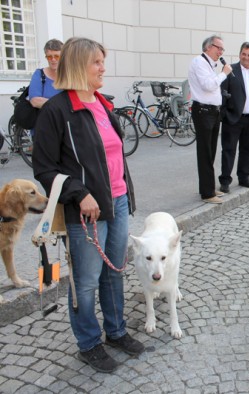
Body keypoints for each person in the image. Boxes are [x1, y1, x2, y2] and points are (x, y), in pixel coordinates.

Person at [32, 37, 144, 373]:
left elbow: (113, 155)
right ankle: (89, 343)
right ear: (80, 65)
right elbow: (45, 168)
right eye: (97, 62)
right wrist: (79, 193)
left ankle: (116, 330)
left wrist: (122, 193)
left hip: (118, 200)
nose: (103, 68)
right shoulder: (56, 111)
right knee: (85, 280)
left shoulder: (102, 103)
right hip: (85, 210)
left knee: (114, 271)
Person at [218, 42, 249, 193]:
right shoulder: (230, 70)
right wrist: (225, 114)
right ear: (240, 54)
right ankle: (225, 181)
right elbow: (222, 93)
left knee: (247, 150)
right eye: (244, 54)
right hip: (233, 118)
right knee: (228, 150)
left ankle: (244, 178)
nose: (246, 57)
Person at [188, 35, 233, 204]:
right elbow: (208, 85)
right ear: (208, 47)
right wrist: (224, 74)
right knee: (205, 153)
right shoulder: (199, 62)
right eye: (218, 48)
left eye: (222, 49)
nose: (220, 52)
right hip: (204, 112)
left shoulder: (209, 64)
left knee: (211, 151)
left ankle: (208, 187)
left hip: (212, 112)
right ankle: (207, 194)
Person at [29, 39, 63, 109]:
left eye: (57, 56)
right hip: (45, 117)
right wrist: (61, 106)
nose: (53, 60)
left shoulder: (70, 75)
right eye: (49, 57)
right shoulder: (39, 74)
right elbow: (34, 101)